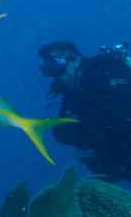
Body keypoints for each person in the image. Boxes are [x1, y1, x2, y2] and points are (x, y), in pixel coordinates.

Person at [39, 40, 131, 181]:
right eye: (49, 69)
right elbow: (62, 134)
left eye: (56, 64)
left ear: (75, 58)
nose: (57, 75)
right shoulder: (74, 96)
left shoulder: (111, 71)